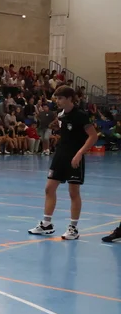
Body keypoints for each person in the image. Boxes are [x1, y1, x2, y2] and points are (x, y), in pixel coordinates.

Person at [28, 86, 98, 241]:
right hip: (60, 156)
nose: (57, 101)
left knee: (73, 192)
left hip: (75, 157)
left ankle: (73, 228)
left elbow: (93, 136)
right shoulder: (61, 115)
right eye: (56, 98)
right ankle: (47, 224)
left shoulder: (81, 115)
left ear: (69, 99)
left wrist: (79, 154)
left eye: (60, 98)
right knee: (49, 188)